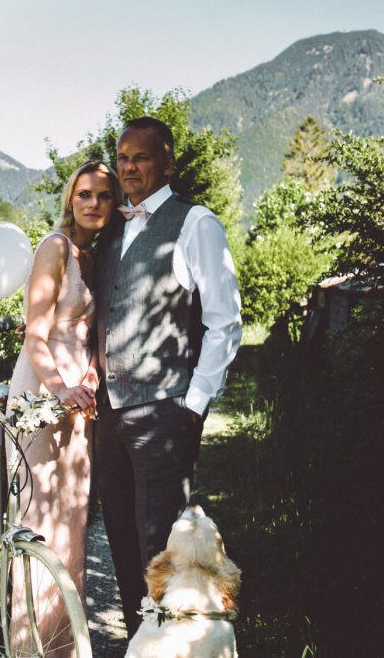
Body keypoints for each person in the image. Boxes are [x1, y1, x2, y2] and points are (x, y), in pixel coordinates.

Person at [92, 116, 242, 637]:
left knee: (163, 544)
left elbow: (224, 321)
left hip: (164, 409)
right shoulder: (111, 226)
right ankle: (142, 640)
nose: (129, 167)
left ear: (167, 162)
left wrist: (194, 404)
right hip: (108, 413)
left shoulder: (195, 223)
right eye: (123, 157)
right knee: (120, 538)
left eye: (142, 157)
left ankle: (174, 642)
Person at [6, 160, 122, 654]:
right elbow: (36, 334)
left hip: (81, 398)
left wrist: (91, 371)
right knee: (42, 522)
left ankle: (63, 646)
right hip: (43, 391)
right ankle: (31, 647)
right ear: (69, 201)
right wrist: (59, 389)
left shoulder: (96, 254)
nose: (93, 203)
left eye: (103, 195)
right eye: (84, 195)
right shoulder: (55, 248)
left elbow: (86, 334)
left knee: (71, 519)